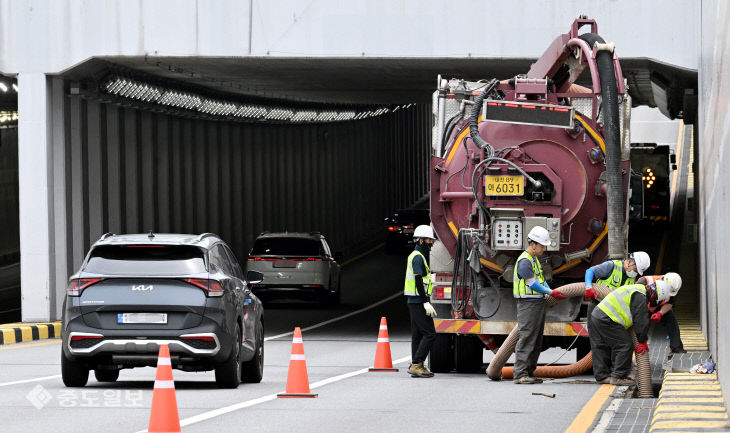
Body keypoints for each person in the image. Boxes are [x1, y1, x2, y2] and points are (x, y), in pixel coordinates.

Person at [588, 279, 670, 385]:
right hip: (606, 318)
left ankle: (602, 376)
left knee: (601, 345)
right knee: (625, 344)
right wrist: (642, 341)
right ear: (655, 294)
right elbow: (640, 321)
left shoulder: (638, 288)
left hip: (598, 314)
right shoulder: (641, 297)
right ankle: (617, 377)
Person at [512, 226, 566, 384]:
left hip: (536, 303)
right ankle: (520, 374)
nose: (544, 249)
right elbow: (533, 284)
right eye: (542, 246)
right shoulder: (524, 261)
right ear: (533, 244)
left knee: (536, 339)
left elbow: (541, 281)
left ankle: (529, 372)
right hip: (527, 304)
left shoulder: (534, 260)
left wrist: (551, 291)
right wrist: (550, 293)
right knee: (528, 337)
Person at [404, 224, 437, 378]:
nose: (431, 244)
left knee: (417, 334)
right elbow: (418, 281)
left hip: (415, 300)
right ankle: (417, 363)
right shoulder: (417, 257)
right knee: (430, 333)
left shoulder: (419, 256)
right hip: (418, 301)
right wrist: (425, 302)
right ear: (421, 241)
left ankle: (415, 364)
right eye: (429, 241)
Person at [583, 251, 651, 319]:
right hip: (597, 304)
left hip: (612, 311)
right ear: (629, 262)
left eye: (637, 272)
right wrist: (588, 287)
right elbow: (590, 271)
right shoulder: (612, 266)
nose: (635, 273)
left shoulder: (632, 279)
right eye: (635, 270)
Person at [638, 272, 685, 353]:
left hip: (656, 307)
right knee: (638, 325)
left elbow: (669, 303)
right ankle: (636, 345)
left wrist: (660, 313)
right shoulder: (645, 281)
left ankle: (676, 347)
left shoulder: (672, 286)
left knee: (671, 319)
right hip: (640, 307)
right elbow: (636, 301)